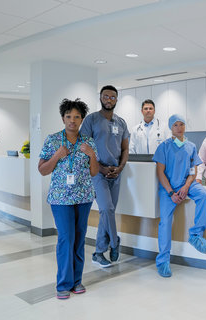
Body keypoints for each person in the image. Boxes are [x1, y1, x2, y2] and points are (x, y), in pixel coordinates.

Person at [38, 98, 99, 300]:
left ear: (81, 119)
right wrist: (56, 156)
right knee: (66, 238)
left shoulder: (88, 141)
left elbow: (94, 172)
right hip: (60, 198)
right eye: (68, 116)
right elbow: (42, 170)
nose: (72, 120)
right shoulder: (53, 140)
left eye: (76, 117)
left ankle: (76, 281)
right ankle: (63, 284)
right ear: (63, 118)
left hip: (83, 197)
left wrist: (92, 156)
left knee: (79, 239)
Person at [152, 114, 206, 277]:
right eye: (176, 125)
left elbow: (193, 171)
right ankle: (163, 261)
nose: (179, 128)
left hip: (186, 184)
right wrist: (171, 192)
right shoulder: (163, 147)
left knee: (204, 196)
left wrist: (186, 186)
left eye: (182, 124)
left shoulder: (191, 146)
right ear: (171, 128)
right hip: (168, 189)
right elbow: (160, 173)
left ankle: (196, 235)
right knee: (165, 223)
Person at [80, 85, 129, 268]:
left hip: (116, 173)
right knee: (107, 209)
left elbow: (125, 149)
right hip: (97, 173)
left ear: (117, 99)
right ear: (100, 98)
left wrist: (121, 167)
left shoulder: (121, 123)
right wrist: (100, 169)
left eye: (112, 97)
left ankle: (99, 252)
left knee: (106, 213)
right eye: (106, 96)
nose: (109, 99)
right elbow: (83, 148)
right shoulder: (91, 120)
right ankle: (115, 242)